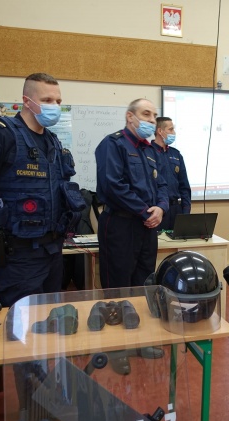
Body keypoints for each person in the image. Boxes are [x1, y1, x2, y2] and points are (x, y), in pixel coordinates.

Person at [0, 72, 82, 308]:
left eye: (58, 101)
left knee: (50, 315)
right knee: (23, 320)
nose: (54, 106)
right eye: (47, 100)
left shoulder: (53, 141)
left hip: (53, 250)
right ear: (27, 101)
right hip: (20, 253)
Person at [95, 98, 169, 289]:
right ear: (130, 117)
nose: (152, 120)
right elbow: (113, 186)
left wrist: (161, 208)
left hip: (148, 227)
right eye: (146, 114)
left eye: (154, 116)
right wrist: (145, 212)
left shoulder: (150, 150)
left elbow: (162, 184)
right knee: (118, 285)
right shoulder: (113, 144)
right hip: (121, 225)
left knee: (145, 282)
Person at [152, 116, 191, 231]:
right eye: (170, 129)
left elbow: (184, 186)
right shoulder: (148, 153)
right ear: (160, 131)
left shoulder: (176, 154)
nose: (174, 132)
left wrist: (185, 211)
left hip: (176, 209)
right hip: (157, 209)